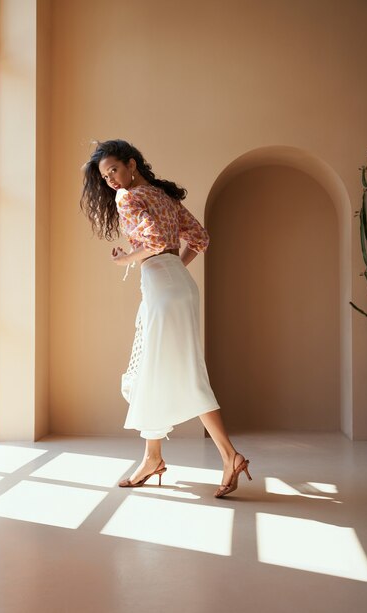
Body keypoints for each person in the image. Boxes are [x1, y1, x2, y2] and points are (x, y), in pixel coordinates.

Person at [80, 139, 252, 498]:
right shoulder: (162, 195)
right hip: (176, 284)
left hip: (163, 286)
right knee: (153, 370)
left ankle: (229, 454)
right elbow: (200, 238)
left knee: (185, 371)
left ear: (131, 164)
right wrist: (171, 266)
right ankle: (152, 458)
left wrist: (127, 259)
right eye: (104, 175)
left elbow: (156, 239)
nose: (110, 179)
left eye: (113, 169)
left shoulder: (127, 198)